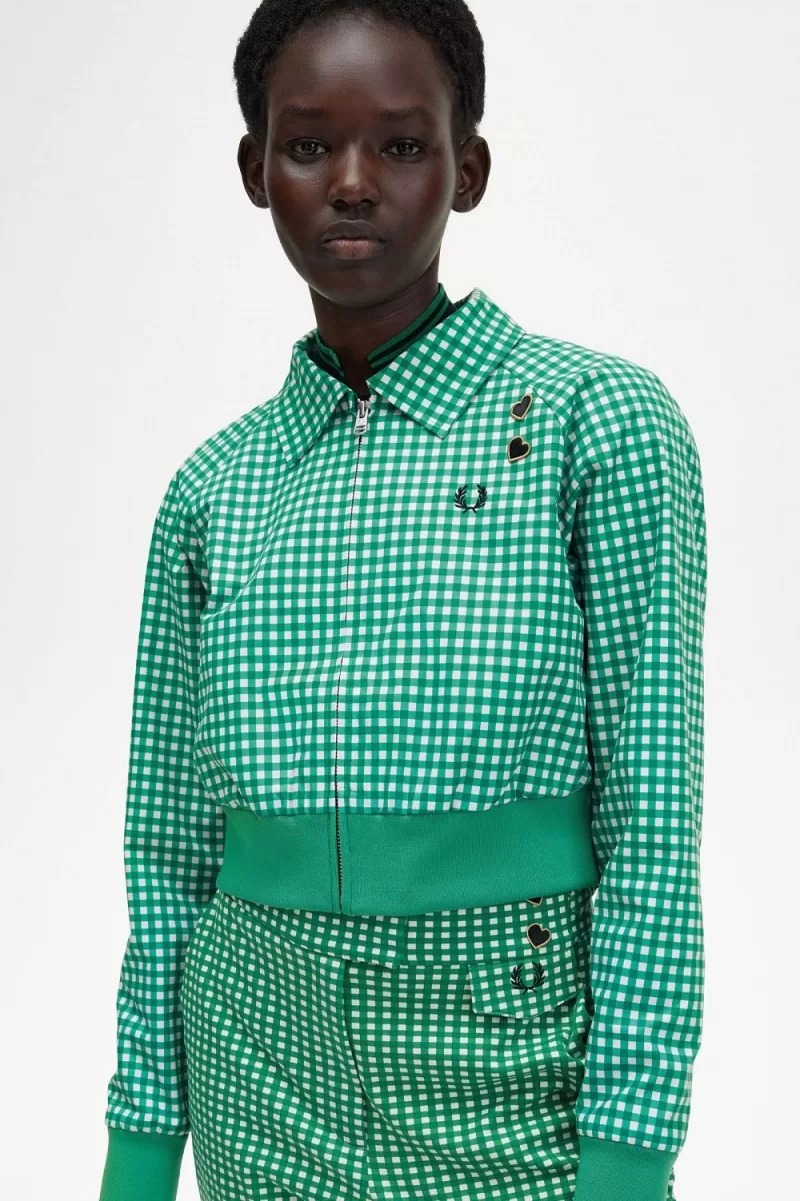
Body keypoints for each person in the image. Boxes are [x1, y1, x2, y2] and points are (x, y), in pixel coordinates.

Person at [98, 2, 707, 1200]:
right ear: (254, 171)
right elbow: (167, 856)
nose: (351, 182)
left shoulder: (593, 425)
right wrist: (138, 1150)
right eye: (307, 144)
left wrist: (629, 1153)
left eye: (402, 143)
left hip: (511, 1072)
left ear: (465, 169)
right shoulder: (212, 489)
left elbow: (652, 825)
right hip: (254, 1072)